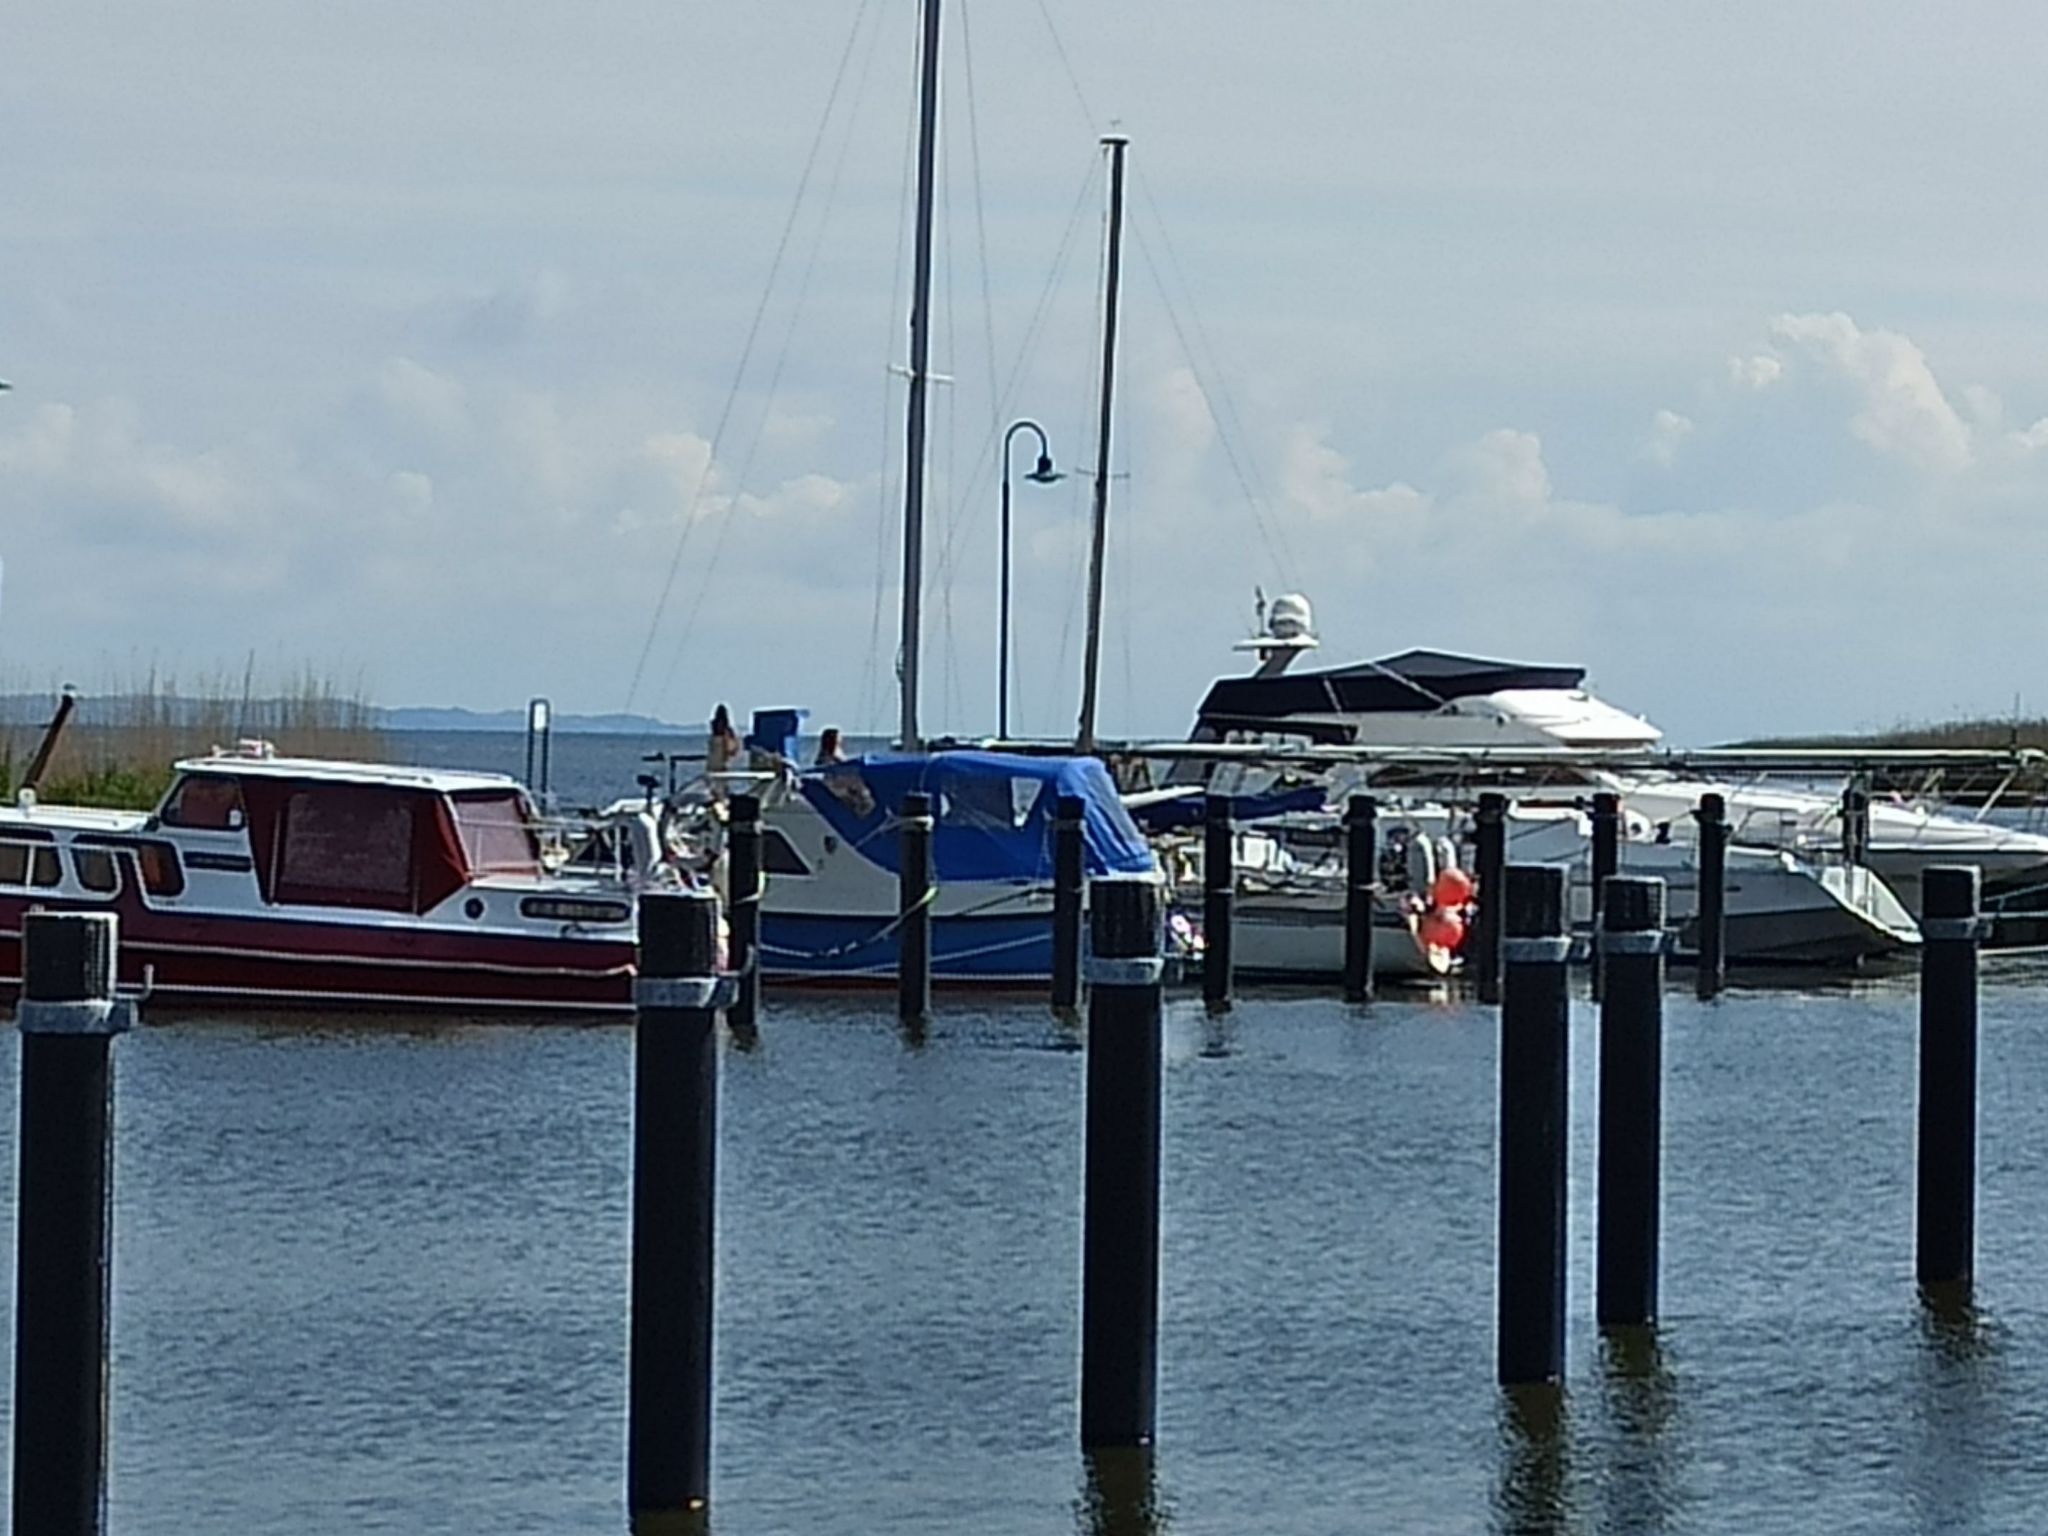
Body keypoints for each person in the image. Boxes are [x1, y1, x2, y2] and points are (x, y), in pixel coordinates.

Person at [706, 704, 743, 779]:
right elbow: (731, 749)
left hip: (714, 762)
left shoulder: (715, 734)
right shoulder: (727, 733)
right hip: (720, 763)